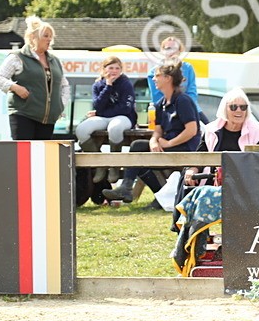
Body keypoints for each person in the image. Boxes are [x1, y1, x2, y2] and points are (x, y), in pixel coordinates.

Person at [103, 63, 201, 205]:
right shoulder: (161, 103)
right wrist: (153, 141)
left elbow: (191, 130)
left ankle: (134, 190)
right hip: (167, 145)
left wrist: (169, 143)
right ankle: (136, 191)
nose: (153, 79)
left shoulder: (182, 100)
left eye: (157, 75)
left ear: (168, 78)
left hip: (185, 147)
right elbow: (158, 130)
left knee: (140, 155)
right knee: (138, 150)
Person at [0, 16, 69, 140]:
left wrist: (60, 104)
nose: (49, 39)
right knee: (23, 154)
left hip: (48, 119)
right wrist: (15, 87)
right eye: (46, 36)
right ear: (33, 37)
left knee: (42, 155)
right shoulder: (17, 57)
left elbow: (64, 86)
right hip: (23, 114)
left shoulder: (55, 61)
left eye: (51, 36)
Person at [75, 55, 137, 151]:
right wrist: (108, 86)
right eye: (111, 68)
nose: (114, 71)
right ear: (104, 69)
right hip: (103, 117)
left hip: (124, 117)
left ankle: (114, 163)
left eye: (117, 68)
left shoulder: (126, 84)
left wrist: (100, 113)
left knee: (114, 128)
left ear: (121, 70)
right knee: (81, 130)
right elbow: (98, 106)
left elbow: (125, 108)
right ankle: (99, 162)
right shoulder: (97, 85)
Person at [147, 36, 198, 106]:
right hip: (166, 109)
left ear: (180, 51)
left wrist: (188, 106)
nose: (171, 52)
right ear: (162, 51)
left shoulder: (188, 68)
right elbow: (157, 98)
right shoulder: (153, 73)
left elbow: (192, 93)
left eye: (175, 49)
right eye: (168, 48)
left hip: (188, 106)